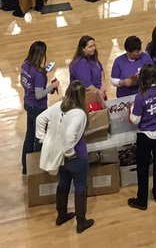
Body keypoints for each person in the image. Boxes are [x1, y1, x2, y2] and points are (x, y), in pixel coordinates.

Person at [35, 80, 95, 233]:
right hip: (76, 157)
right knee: (81, 187)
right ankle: (81, 222)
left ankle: (61, 215)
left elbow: (40, 119)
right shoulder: (80, 113)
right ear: (82, 96)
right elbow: (70, 135)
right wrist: (70, 153)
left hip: (59, 156)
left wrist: (44, 139)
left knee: (63, 184)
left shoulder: (58, 106)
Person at [124, 63, 156, 213]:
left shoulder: (140, 97)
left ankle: (142, 200)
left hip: (146, 136)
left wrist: (130, 111)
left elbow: (135, 120)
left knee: (143, 167)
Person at [19, 41, 58, 174]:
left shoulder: (25, 65)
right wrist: (52, 87)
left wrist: (44, 71)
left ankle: (26, 167)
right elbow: (40, 94)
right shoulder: (38, 74)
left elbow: (24, 82)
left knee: (29, 136)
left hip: (28, 103)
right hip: (38, 108)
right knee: (40, 138)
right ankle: (37, 167)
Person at [69, 34, 106, 102]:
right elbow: (87, 86)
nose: (93, 48)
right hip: (87, 98)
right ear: (82, 49)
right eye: (90, 47)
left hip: (98, 93)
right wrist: (99, 93)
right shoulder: (80, 64)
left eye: (94, 45)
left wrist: (103, 85)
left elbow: (101, 70)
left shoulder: (92, 57)